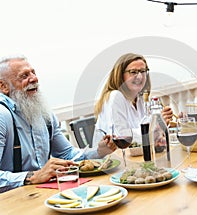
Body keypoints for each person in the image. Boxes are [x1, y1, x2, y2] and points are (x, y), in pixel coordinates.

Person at [0, 55, 116, 193]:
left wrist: (99, 151)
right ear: (3, 86)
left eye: (33, 73)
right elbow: (35, 177)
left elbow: (68, 155)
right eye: (24, 76)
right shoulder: (3, 116)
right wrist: (32, 177)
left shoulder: (43, 114)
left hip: (40, 194)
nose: (34, 79)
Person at [93, 53, 173, 146]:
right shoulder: (115, 96)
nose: (139, 76)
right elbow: (121, 137)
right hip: (112, 158)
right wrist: (155, 127)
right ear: (120, 75)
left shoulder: (140, 98)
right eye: (133, 72)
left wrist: (160, 125)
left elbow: (147, 136)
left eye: (143, 71)